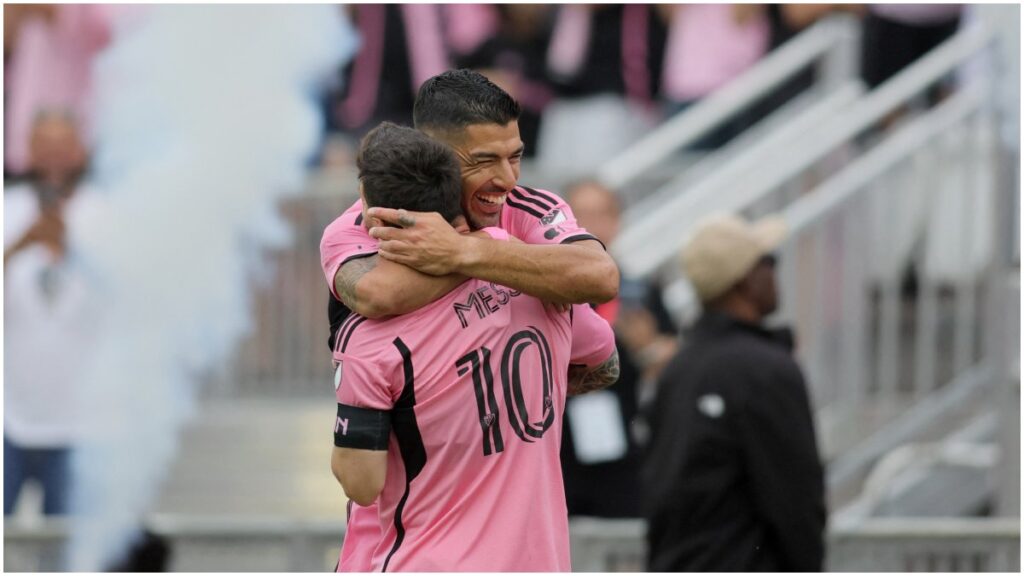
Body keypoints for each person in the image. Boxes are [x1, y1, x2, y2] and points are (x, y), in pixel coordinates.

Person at [330, 122, 619, 571]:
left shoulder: (369, 343)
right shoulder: (534, 282)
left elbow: (361, 483)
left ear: (372, 215)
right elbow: (604, 357)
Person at [320, 68, 619, 351]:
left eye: (515, 156)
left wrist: (460, 250)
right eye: (484, 160)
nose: (508, 179)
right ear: (433, 152)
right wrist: (514, 259)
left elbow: (600, 276)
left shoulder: (527, 206)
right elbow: (376, 294)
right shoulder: (365, 219)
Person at [642, 213, 826, 571]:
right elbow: (796, 502)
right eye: (768, 262)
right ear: (744, 279)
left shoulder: (678, 369)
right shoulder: (767, 369)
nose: (774, 273)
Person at [559, 179, 678, 518]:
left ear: (618, 221)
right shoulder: (542, 290)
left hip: (622, 448)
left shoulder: (639, 293)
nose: (592, 224)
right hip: (554, 449)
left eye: (601, 214)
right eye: (582, 214)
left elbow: (673, 361)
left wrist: (650, 348)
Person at [4, 111, 101, 516]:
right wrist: (19, 246)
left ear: (79, 152)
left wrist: (74, 249)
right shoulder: (7, 210)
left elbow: (132, 301)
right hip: (9, 414)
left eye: (63, 148)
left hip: (83, 420)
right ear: (29, 151)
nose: (54, 160)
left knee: (66, 554)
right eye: (45, 148)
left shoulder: (105, 213)